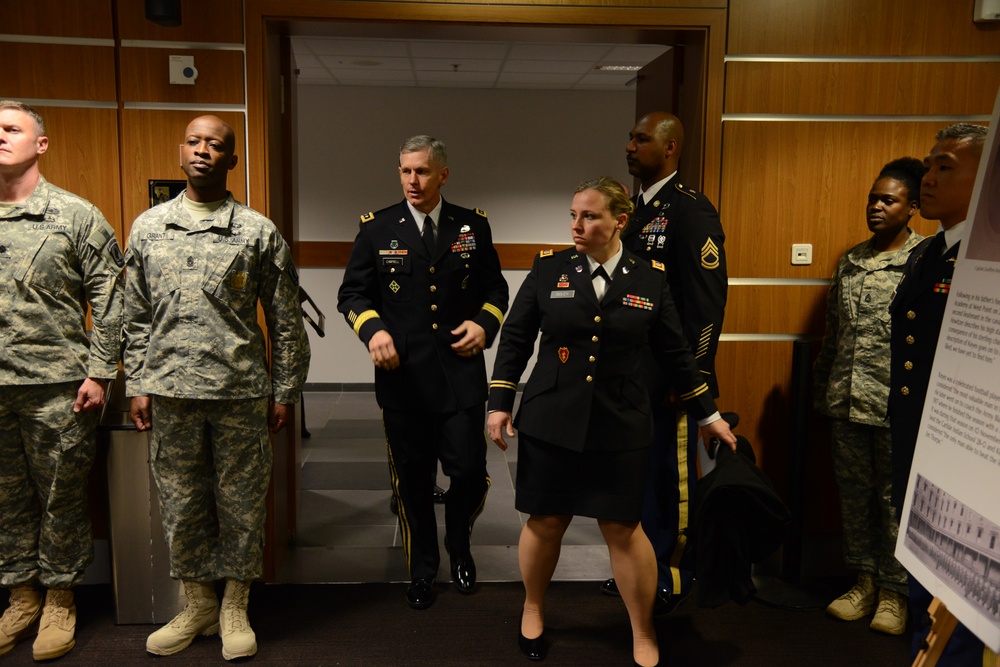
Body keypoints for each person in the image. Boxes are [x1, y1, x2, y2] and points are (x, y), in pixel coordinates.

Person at [487, 177, 736, 667]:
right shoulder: (549, 269)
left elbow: (676, 353)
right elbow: (515, 338)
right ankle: (533, 608)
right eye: (574, 216)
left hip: (620, 421)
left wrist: (708, 413)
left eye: (590, 216)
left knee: (623, 528)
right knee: (546, 520)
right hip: (551, 418)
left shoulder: (650, 277)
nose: (577, 226)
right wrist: (499, 402)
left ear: (620, 221)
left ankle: (642, 630)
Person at [123, 115, 310, 660]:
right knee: (181, 504)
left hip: (239, 394)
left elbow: (284, 320)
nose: (204, 151)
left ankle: (234, 605)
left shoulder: (256, 230)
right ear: (180, 152)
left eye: (218, 146)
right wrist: (137, 381)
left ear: (232, 160)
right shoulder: (148, 227)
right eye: (195, 142)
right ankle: (198, 602)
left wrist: (284, 391)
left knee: (241, 504)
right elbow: (133, 315)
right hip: (170, 393)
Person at [337, 135, 508, 610]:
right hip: (404, 380)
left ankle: (460, 547)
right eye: (405, 171)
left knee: (470, 472)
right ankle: (423, 568)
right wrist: (372, 331)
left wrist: (485, 323)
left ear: (443, 175)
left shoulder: (472, 226)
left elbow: (497, 289)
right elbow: (352, 296)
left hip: (461, 375)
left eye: (423, 172)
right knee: (413, 481)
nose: (413, 181)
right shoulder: (376, 228)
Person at [0, 101, 124, 660]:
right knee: (5, 499)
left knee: (61, 499)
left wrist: (100, 371)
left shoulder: (75, 216)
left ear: (40, 144)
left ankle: (58, 600)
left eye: (10, 129)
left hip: (58, 387)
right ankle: (20, 597)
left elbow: (112, 297)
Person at [602, 111, 728, 613]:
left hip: (670, 377)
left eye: (641, 139)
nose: (630, 146)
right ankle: (639, 570)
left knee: (669, 481)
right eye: (629, 138)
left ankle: (671, 575)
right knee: (636, 478)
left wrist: (691, 377)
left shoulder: (690, 210)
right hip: (633, 376)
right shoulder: (635, 209)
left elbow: (706, 302)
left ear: (671, 148)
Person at [889, 123, 989, 665]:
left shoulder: (986, 260)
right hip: (919, 441)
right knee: (922, 578)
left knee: (960, 595)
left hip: (964, 455)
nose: (927, 179)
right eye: (929, 165)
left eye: (945, 167)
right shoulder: (929, 252)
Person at [814, 157, 926, 635]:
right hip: (847, 402)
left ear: (912, 207)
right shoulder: (852, 260)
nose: (876, 206)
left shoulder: (926, 260)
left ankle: (895, 593)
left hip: (895, 407)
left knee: (894, 501)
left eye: (889, 200)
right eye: (872, 198)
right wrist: (823, 391)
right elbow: (833, 335)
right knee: (855, 499)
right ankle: (862, 582)